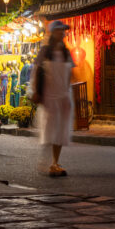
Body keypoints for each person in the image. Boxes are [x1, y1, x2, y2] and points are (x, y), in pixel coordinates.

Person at [31, 20, 74, 177]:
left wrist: (68, 93)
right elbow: (36, 71)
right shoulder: (45, 51)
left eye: (64, 31)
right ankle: (48, 161)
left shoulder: (66, 52)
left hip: (63, 94)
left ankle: (54, 162)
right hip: (49, 95)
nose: (62, 33)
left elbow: (70, 73)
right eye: (60, 30)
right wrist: (36, 91)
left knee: (61, 130)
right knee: (50, 128)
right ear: (53, 32)